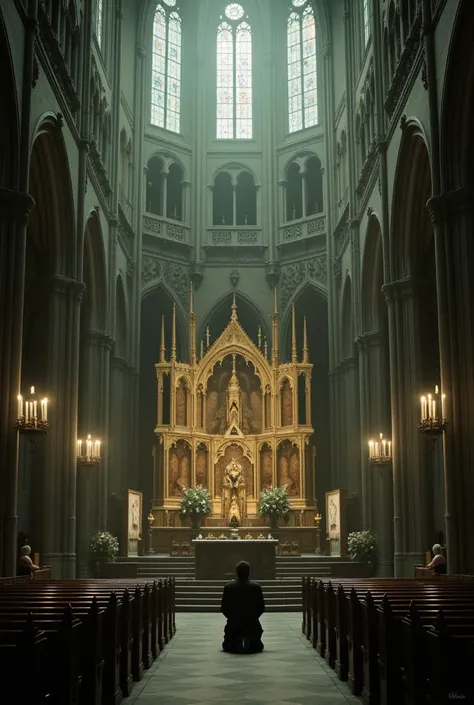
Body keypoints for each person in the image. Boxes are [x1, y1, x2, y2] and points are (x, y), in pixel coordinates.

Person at [221, 561, 265, 654]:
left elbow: (224, 608)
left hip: (234, 623)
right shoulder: (256, 587)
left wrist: (233, 618)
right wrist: (252, 618)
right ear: (249, 572)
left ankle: (234, 640)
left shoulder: (228, 587)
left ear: (236, 572)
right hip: (251, 623)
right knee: (256, 647)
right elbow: (261, 608)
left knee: (228, 646)